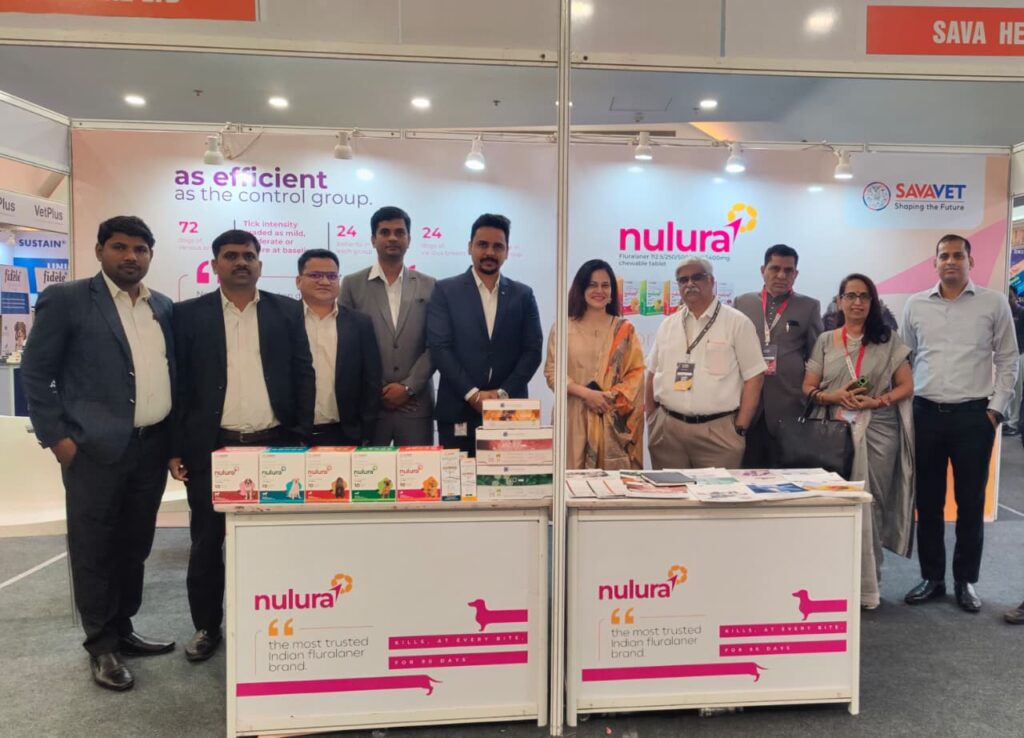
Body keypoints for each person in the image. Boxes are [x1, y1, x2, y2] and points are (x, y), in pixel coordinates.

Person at [21, 215, 175, 691]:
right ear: (99, 251)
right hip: (92, 450)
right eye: (120, 247)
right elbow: (35, 373)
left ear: (150, 255)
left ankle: (123, 628)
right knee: (94, 548)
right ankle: (101, 646)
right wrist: (59, 440)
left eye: (140, 249)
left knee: (135, 545)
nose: (130, 256)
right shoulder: (67, 299)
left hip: (150, 448)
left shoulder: (162, 306)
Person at [168, 229, 315, 661]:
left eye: (249, 256)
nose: (241, 263)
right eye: (231, 256)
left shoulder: (287, 311)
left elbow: (304, 374)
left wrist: (302, 438)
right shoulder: (187, 315)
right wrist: (175, 448)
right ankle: (206, 627)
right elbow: (179, 385)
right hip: (214, 450)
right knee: (207, 543)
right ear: (215, 264)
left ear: (260, 265)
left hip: (276, 447)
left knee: (276, 543)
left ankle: (276, 622)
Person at [901, 234, 1018, 613]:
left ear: (971, 261)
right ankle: (932, 578)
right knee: (928, 502)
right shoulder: (915, 304)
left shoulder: (993, 303)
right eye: (944, 256)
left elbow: (1008, 359)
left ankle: (965, 580)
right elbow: (905, 358)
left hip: (974, 417)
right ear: (935, 262)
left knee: (970, 503)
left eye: (957, 255)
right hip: (925, 415)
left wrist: (996, 409)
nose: (950, 261)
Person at [802, 273, 915, 610]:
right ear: (839, 301)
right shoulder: (826, 340)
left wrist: (877, 401)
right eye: (850, 296)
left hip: (878, 431)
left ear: (872, 302)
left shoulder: (888, 339)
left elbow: (906, 386)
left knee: (871, 504)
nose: (857, 302)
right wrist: (833, 396)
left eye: (864, 296)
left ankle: (867, 586)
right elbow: (808, 387)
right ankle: (830, 582)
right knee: (833, 504)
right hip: (832, 432)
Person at [427, 213, 543, 454]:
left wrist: (501, 395)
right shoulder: (445, 290)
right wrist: (473, 394)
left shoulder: (523, 295)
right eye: (482, 244)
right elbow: (440, 348)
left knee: (509, 477)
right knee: (459, 477)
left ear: (507, 251)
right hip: (458, 408)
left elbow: (532, 351)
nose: (490, 252)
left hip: (510, 411)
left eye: (498, 246)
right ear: (470, 247)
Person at [645, 257, 766, 469]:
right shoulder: (668, 325)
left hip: (718, 434)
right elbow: (652, 372)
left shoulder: (737, 322)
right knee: (669, 490)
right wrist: (653, 418)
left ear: (711, 281)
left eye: (697, 277)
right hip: (668, 432)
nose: (690, 284)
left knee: (717, 491)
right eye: (683, 280)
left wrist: (740, 427)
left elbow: (754, 376)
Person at [340, 206, 436, 445]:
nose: (392, 238)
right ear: (373, 239)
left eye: (399, 232)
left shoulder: (430, 285)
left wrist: (408, 388)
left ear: (409, 239)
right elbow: (347, 345)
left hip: (416, 405)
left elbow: (436, 344)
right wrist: (378, 390)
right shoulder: (352, 284)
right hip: (371, 406)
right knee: (370, 468)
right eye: (385, 232)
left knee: (418, 469)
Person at [544, 259, 644, 469]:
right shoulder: (563, 327)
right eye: (592, 285)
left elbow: (635, 375)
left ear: (612, 291)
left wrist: (607, 399)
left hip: (611, 417)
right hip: (573, 416)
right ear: (581, 289)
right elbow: (553, 372)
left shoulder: (625, 330)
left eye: (605, 285)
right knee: (571, 478)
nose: (599, 291)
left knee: (611, 485)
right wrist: (587, 394)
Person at [734, 244, 822, 467]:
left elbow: (816, 357)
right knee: (746, 471)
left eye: (788, 270)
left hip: (789, 404)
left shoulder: (809, 306)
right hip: (746, 404)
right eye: (775, 268)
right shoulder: (742, 303)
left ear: (796, 274)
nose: (781, 275)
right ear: (762, 270)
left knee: (785, 473)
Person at [297, 249, 383, 446]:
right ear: (298, 281)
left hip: (345, 434)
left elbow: (371, 379)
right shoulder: (284, 319)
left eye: (331, 276)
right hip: (294, 435)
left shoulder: (360, 323)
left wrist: (365, 431)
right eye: (315, 275)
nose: (324, 282)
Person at [1002, 291, 1024, 437]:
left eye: (1010, 296)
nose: (1008, 299)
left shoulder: (1021, 313)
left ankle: (1014, 423)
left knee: (1017, 390)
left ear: (1016, 297)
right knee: (1007, 387)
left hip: (1020, 355)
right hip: (1007, 356)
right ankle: (1008, 419)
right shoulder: (1004, 313)